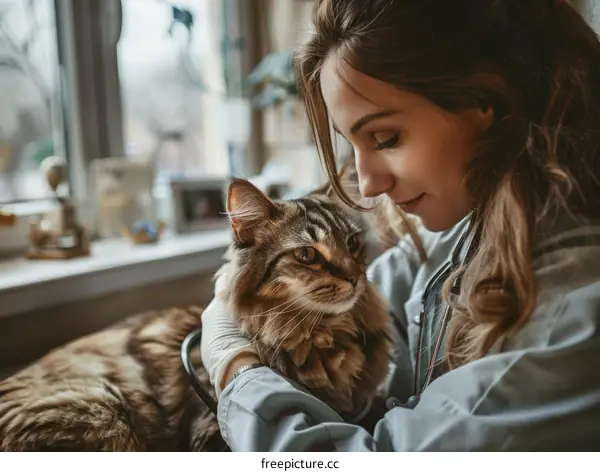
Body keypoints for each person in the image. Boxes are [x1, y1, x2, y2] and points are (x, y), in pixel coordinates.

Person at [200, 0, 600, 451]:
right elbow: (388, 285)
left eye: (385, 138)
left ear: (484, 101)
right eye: (351, 145)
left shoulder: (571, 321)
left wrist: (237, 369)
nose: (368, 185)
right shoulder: (471, 223)